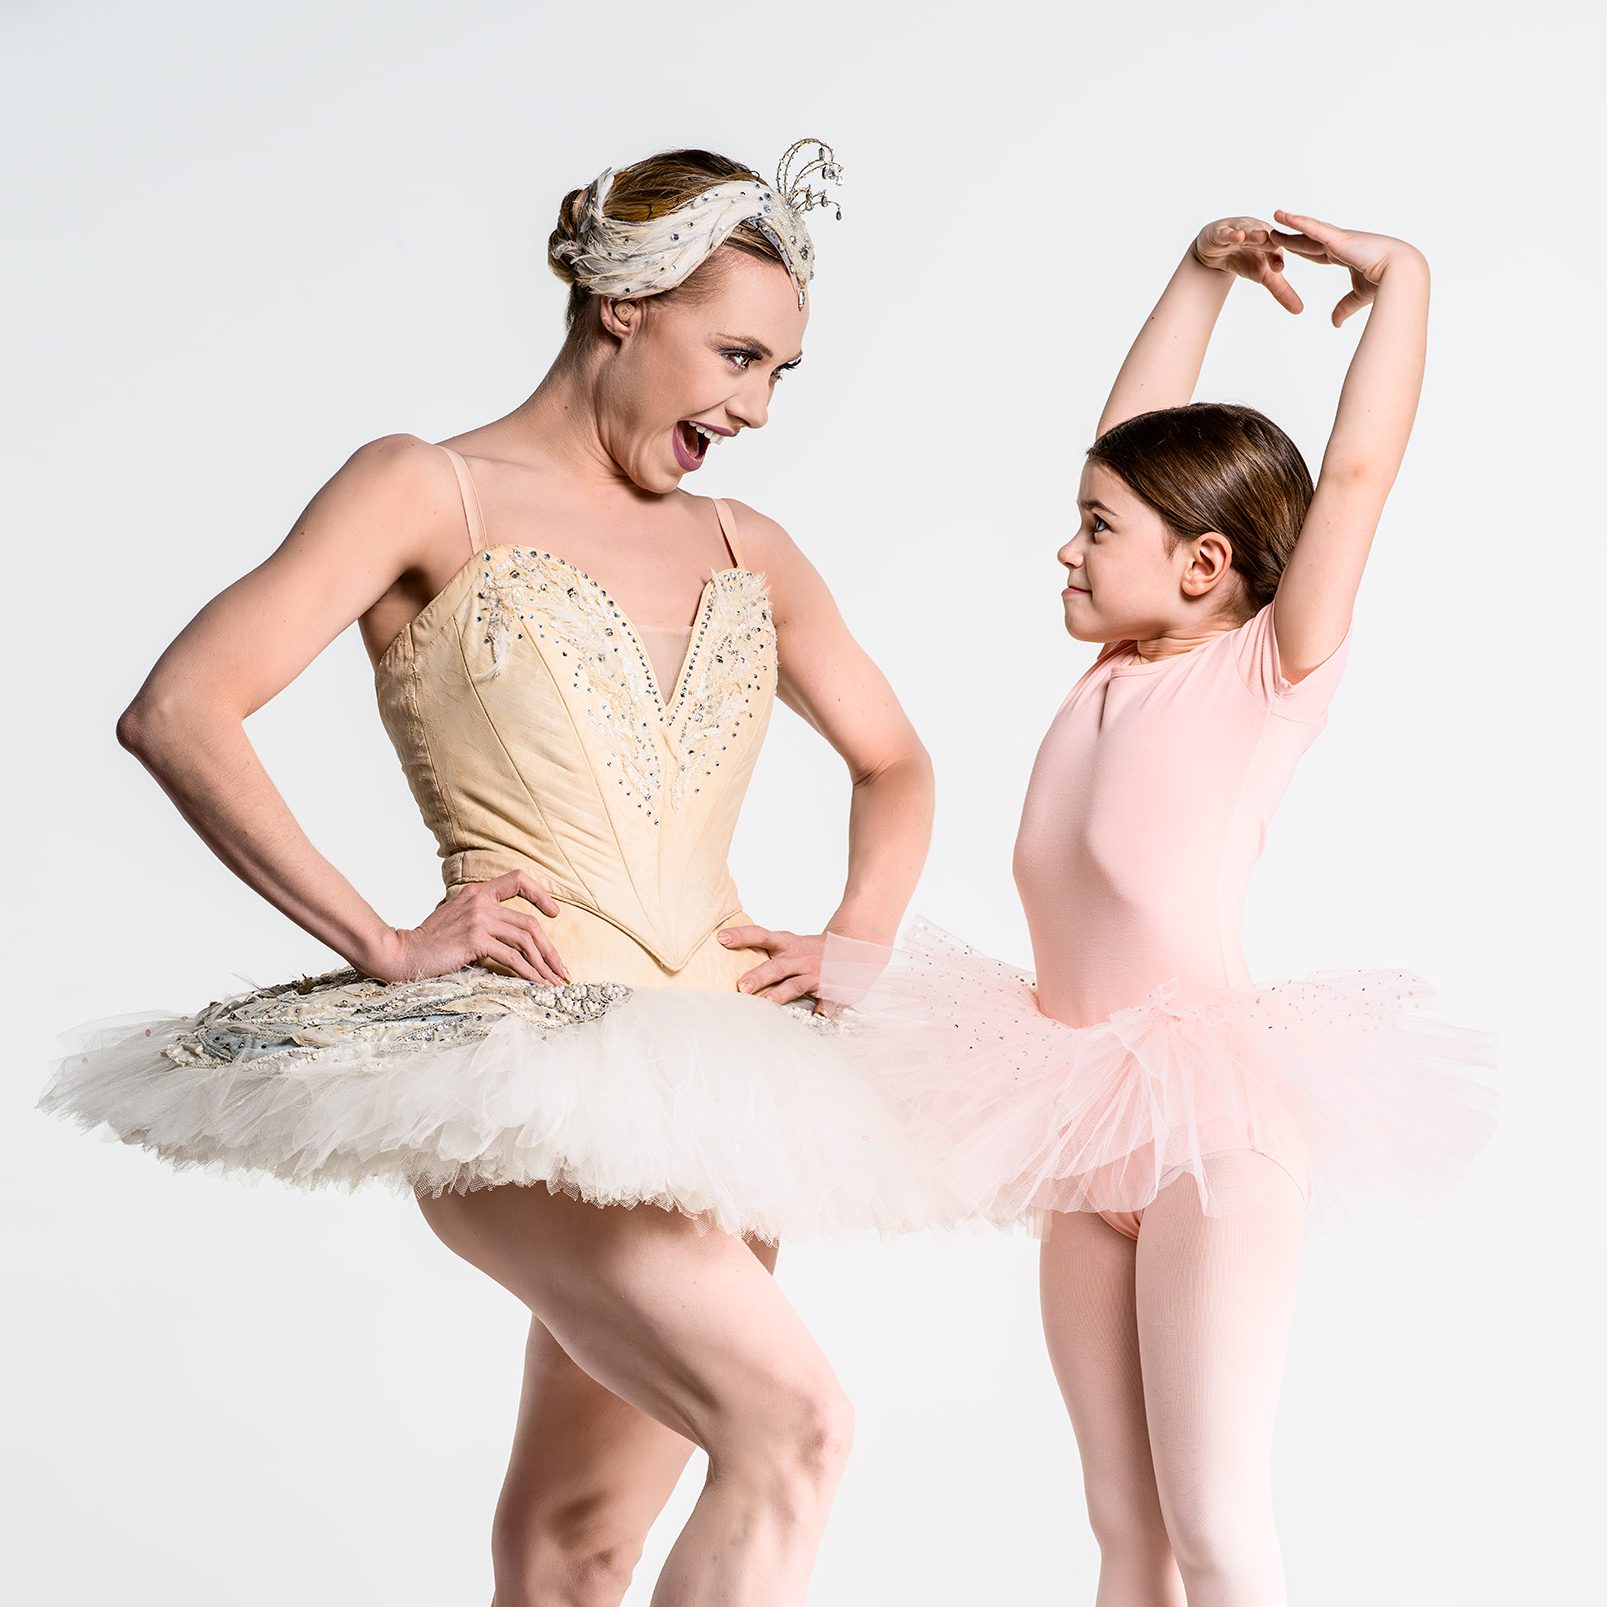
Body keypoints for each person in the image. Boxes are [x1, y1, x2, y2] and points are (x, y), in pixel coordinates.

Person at [39, 140, 954, 1607]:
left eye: (782, 373)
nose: (756, 409)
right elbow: (181, 710)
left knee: (569, 1549)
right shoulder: (426, 490)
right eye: (737, 357)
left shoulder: (753, 547)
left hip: (731, 1083)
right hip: (524, 1069)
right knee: (797, 1430)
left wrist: (861, 937)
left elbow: (896, 761)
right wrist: (384, 943)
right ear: (623, 305)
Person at [819, 212, 1499, 1606]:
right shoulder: (1113, 665)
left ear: (1204, 565)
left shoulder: (1265, 673)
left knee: (1214, 1528)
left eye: (1095, 531)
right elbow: (1128, 443)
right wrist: (1199, 276)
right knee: (1125, 1533)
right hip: (1084, 1126)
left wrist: (1403, 283)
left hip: (1213, 1140)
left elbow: (1357, 474)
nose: (1067, 552)